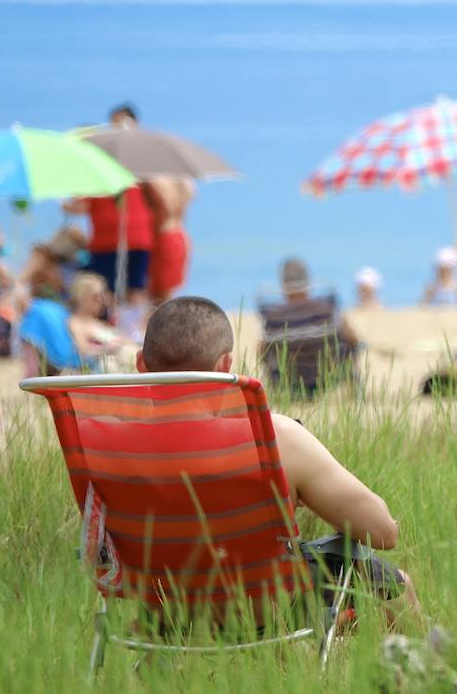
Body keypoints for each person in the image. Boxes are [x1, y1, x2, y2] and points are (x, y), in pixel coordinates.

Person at [138, 296, 418, 621]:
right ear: (225, 365)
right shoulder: (274, 438)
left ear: (139, 364)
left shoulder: (104, 444)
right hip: (265, 612)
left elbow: (97, 554)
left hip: (161, 613)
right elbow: (383, 532)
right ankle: (428, 665)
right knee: (393, 584)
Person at [260, 258, 362, 396]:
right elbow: (352, 338)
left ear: (283, 283)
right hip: (326, 377)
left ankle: (276, 394)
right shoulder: (325, 308)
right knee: (351, 344)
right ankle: (355, 395)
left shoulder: (273, 315)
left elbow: (264, 349)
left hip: (289, 382)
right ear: (307, 281)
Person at [63, 187, 154, 310]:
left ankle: (113, 319)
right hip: (139, 240)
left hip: (108, 244)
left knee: (107, 290)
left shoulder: (95, 183)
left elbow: (76, 207)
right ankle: (131, 324)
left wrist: (63, 202)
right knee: (135, 290)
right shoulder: (132, 181)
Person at [66, 272, 136, 371]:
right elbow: (83, 350)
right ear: (82, 297)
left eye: (103, 296)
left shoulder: (100, 323)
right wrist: (108, 348)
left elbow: (125, 341)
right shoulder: (76, 322)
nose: (101, 300)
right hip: (99, 367)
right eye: (96, 296)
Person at [143, 176, 195, 303]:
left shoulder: (153, 180)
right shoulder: (182, 180)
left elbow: (165, 208)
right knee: (168, 294)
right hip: (180, 235)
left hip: (163, 237)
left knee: (157, 297)